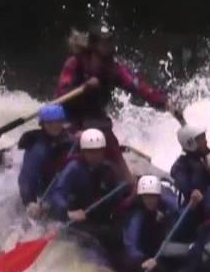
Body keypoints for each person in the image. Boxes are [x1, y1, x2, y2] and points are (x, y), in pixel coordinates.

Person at [56, 25, 185, 185]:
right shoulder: (75, 63)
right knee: (67, 149)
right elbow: (61, 94)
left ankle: (127, 184)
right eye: (105, 43)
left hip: (96, 119)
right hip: (70, 117)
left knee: (113, 152)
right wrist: (84, 88)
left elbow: (138, 86)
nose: (110, 46)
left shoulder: (112, 68)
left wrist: (165, 103)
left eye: (111, 42)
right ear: (94, 46)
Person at [121, 174, 201, 272]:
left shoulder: (166, 204)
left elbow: (179, 217)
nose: (150, 200)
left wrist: (192, 206)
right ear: (141, 197)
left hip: (160, 244)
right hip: (145, 251)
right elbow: (131, 243)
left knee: (190, 252)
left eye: (153, 197)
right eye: (147, 197)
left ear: (158, 196)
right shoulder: (137, 215)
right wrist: (143, 260)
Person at [43, 128, 123, 224]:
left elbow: (115, 191)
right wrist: (68, 213)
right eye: (91, 151)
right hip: (72, 217)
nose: (95, 155)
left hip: (93, 214)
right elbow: (57, 194)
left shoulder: (106, 168)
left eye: (98, 151)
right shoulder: (74, 168)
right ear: (83, 151)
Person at [18, 103, 74, 212]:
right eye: (50, 123)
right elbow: (27, 177)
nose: (55, 126)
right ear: (42, 124)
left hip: (61, 188)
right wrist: (29, 202)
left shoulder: (70, 140)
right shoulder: (37, 147)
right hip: (43, 190)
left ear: (63, 122)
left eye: (58, 121)